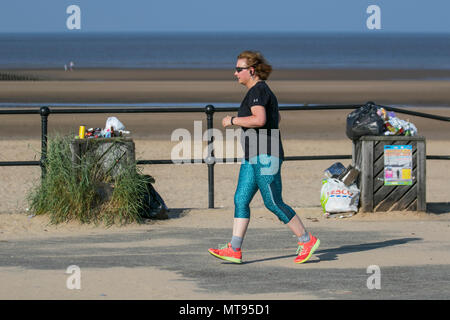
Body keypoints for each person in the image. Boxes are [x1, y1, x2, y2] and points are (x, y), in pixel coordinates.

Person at [208, 51, 320, 264]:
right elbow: (276, 117)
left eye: (239, 69)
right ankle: (234, 249)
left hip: (266, 156)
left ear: (251, 71)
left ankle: (306, 240)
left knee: (272, 202)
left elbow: (260, 119)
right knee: (240, 199)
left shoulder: (258, 90)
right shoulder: (259, 92)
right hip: (253, 155)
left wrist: (233, 120)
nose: (235, 73)